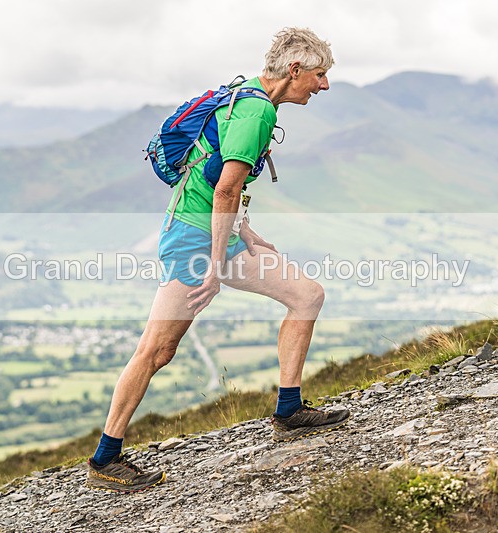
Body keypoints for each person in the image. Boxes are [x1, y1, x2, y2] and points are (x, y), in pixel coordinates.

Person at [87, 27, 349, 492]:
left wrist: (245, 234)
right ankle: (106, 458)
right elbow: (226, 186)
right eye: (319, 75)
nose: (323, 85)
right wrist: (214, 264)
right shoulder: (257, 111)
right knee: (157, 350)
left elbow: (212, 174)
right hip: (194, 240)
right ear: (294, 71)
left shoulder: (244, 92)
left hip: (210, 233)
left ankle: (289, 408)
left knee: (307, 296)